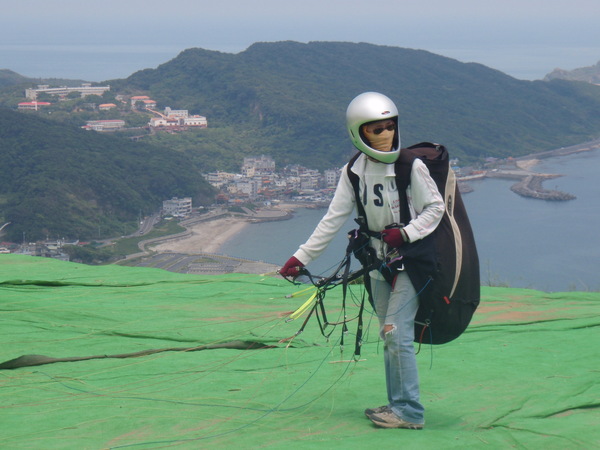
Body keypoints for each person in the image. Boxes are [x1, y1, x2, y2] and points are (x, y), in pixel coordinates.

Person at [279, 92, 445, 430]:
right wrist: (300, 257)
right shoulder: (353, 171)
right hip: (376, 261)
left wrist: (407, 233)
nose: (385, 134)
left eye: (389, 126)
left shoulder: (410, 165)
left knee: (396, 332)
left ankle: (410, 412)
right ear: (359, 133)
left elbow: (436, 208)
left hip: (412, 260)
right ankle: (397, 405)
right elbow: (333, 217)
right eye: (376, 129)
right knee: (388, 334)